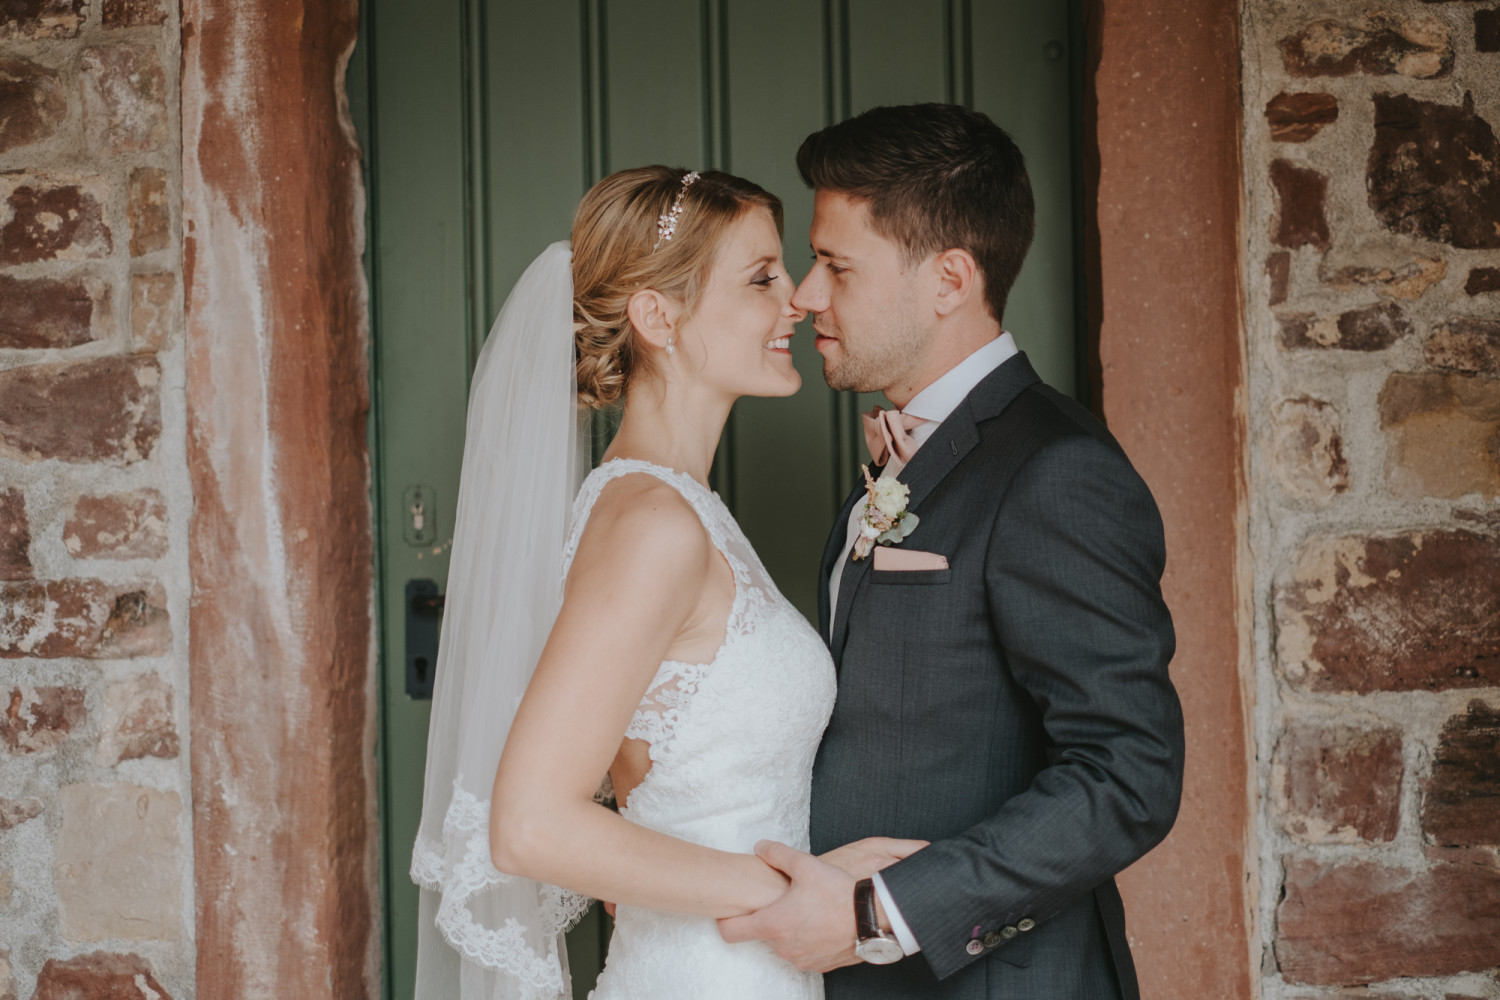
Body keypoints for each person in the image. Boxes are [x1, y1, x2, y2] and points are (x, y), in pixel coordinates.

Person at [410, 165, 919, 1000]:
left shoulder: (678, 509)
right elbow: (531, 826)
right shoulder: (653, 526)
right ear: (658, 317)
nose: (797, 300)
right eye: (761, 278)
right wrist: (803, 891)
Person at [718, 104, 1186, 1000]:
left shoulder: (1056, 469)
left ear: (949, 279)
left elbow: (1130, 773)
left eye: (838, 266)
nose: (807, 295)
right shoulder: (907, 456)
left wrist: (878, 914)